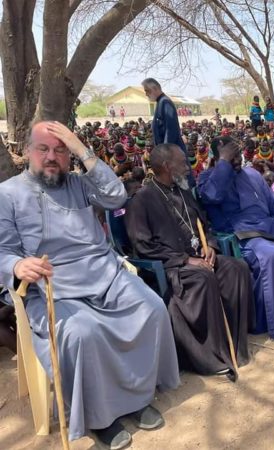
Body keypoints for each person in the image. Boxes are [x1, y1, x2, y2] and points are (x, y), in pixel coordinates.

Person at [0, 121, 179, 448]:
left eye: (61, 150)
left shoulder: (81, 184)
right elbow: (2, 251)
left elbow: (117, 196)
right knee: (83, 333)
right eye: (43, 149)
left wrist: (81, 147)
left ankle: (137, 398)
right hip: (52, 288)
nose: (52, 157)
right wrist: (17, 264)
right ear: (26, 151)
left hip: (105, 275)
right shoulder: (8, 194)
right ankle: (101, 417)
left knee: (152, 308)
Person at [125, 144, 253, 378]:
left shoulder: (183, 193)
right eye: (183, 163)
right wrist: (185, 260)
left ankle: (234, 344)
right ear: (167, 166)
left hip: (199, 256)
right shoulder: (141, 200)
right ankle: (210, 356)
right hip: (173, 266)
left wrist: (210, 246)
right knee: (203, 277)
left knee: (237, 268)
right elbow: (143, 246)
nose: (188, 167)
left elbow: (204, 225)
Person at [198, 136, 274, 339]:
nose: (237, 159)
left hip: (268, 222)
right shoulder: (208, 178)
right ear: (218, 158)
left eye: (237, 154)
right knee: (272, 255)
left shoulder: (252, 173)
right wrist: (224, 163)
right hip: (241, 232)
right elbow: (212, 196)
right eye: (230, 157)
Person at [142, 78, 186, 153]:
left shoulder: (165, 102)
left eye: (147, 91)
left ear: (155, 88)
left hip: (171, 153)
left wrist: (165, 152)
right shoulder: (160, 102)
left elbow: (171, 130)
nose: (146, 94)